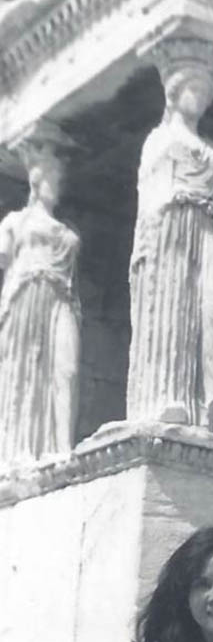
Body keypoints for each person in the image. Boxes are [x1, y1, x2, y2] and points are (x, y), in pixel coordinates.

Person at [127, 46, 213, 430]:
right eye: (194, 89)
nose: (200, 99)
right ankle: (169, 398)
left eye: (206, 93)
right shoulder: (159, 140)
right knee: (173, 304)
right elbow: (149, 202)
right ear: (174, 91)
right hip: (171, 226)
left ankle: (208, 399)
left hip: (208, 227)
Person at [0, 148, 80, 466]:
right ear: (36, 179)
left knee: (67, 369)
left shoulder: (67, 230)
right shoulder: (14, 222)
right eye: (53, 177)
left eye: (61, 179)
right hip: (26, 297)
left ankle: (62, 450)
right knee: (25, 370)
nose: (58, 185)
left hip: (62, 298)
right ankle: (18, 454)